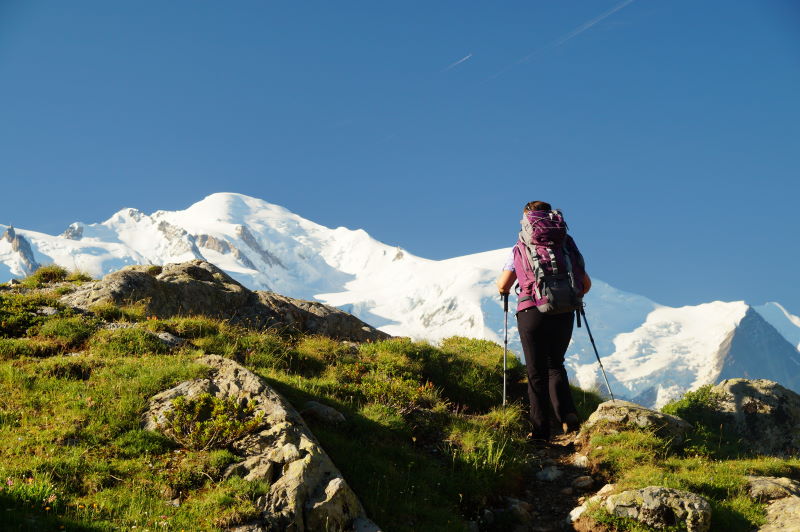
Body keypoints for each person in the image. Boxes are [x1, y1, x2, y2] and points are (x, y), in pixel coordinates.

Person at [496, 201, 591, 441]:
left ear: (526, 219)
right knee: (556, 364)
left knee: (535, 371)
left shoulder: (520, 247)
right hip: (564, 309)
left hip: (532, 311)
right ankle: (568, 416)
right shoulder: (566, 244)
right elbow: (585, 284)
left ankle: (540, 431)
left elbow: (503, 284)